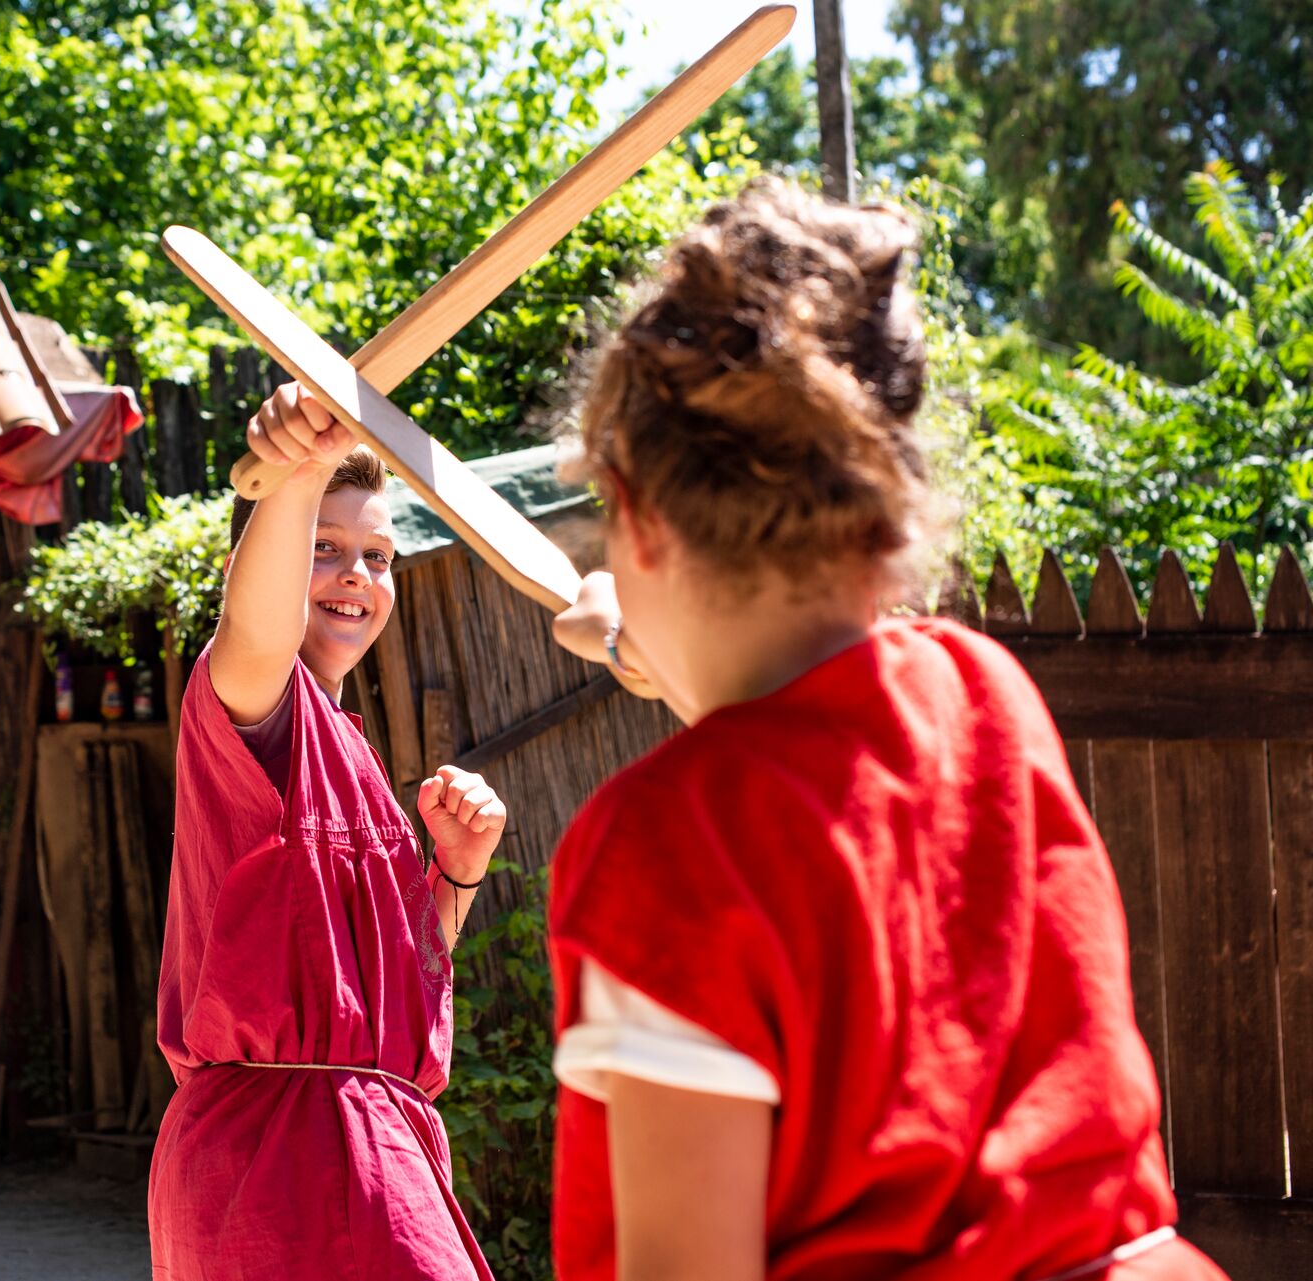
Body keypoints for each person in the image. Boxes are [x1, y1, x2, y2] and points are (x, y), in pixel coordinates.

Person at [545, 181, 1227, 1281]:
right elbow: (821, 746)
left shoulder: (664, 843)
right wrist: (636, 640)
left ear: (635, 518)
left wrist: (637, 635)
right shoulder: (986, 697)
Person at [150, 390, 505, 1281]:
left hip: (369, 1143)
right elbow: (255, 629)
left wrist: (454, 878)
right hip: (283, 1158)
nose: (357, 575)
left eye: (378, 556)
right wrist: (298, 475)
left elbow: (391, 983)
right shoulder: (250, 700)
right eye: (325, 547)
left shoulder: (350, 748)